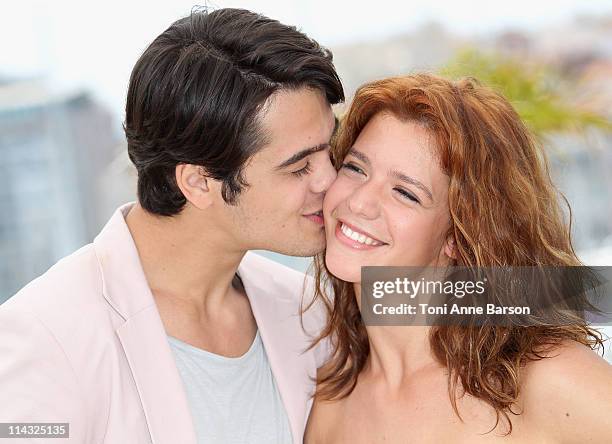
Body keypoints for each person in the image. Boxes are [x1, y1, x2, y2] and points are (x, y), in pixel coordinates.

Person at [0, 8, 343, 444]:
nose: (331, 180)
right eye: (299, 168)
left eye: (328, 149)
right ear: (199, 182)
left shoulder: (308, 307)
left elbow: (444, 314)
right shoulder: (43, 337)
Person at [305, 73, 612, 443]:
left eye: (405, 193)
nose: (357, 202)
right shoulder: (332, 401)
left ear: (456, 235)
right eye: (355, 168)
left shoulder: (543, 381)